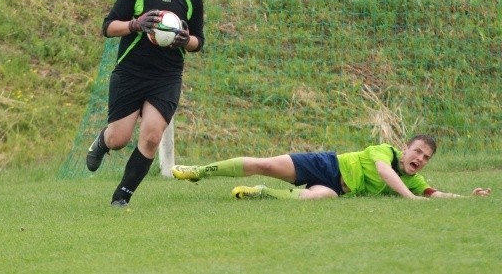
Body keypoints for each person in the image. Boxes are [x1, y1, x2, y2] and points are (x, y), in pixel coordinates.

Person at [86, 0, 205, 207]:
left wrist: (185, 39)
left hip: (166, 77)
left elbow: (199, 42)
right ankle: (102, 142)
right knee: (119, 138)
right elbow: (108, 27)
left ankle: (122, 197)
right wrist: (135, 25)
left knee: (151, 136)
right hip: (130, 73)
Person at [172, 134, 492, 200]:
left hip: (335, 188)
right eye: (417, 152)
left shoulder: (413, 178)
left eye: (425, 158)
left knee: (318, 198)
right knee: (264, 163)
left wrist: (467, 197)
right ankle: (197, 171)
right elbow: (383, 172)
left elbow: (433, 193)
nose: (420, 159)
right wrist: (410, 199)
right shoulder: (385, 153)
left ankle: (261, 194)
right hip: (326, 164)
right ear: (404, 148)